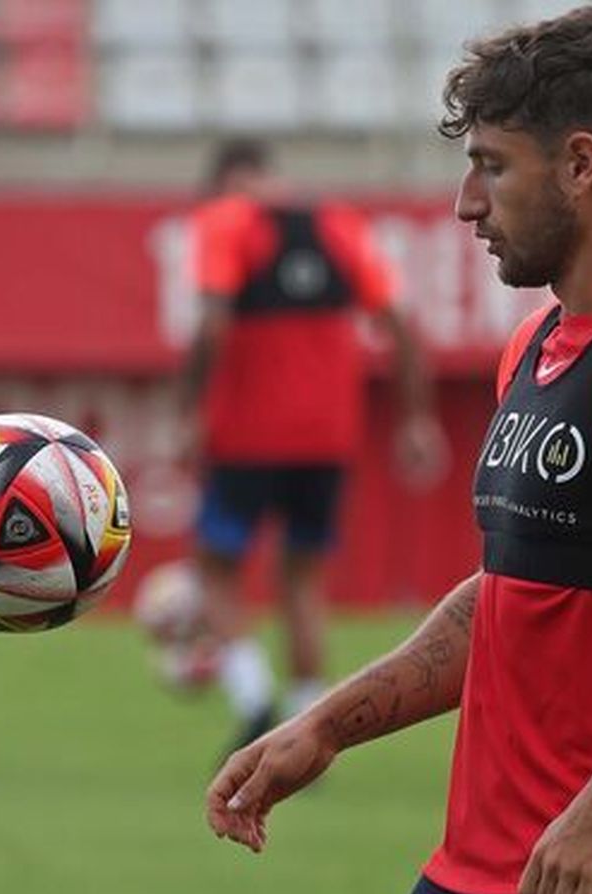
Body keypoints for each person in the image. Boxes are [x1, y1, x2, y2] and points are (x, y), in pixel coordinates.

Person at [207, 8, 592, 894]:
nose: (467, 202)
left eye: (492, 166)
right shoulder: (538, 346)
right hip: (477, 871)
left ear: (581, 165)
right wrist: (329, 725)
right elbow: (513, 598)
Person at [182, 139, 447, 753]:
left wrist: (187, 407)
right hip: (327, 437)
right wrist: (416, 419)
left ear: (225, 181)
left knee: (217, 568)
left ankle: (253, 700)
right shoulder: (339, 224)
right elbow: (402, 326)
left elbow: (213, 323)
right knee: (302, 577)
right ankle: (306, 725)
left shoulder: (224, 222)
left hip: (246, 434)